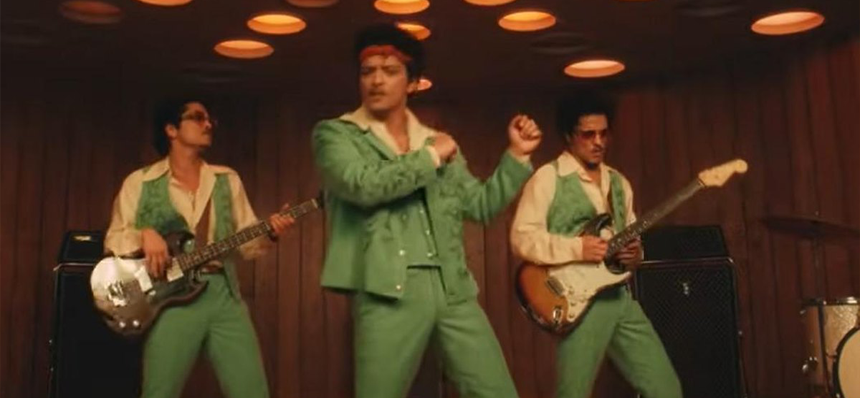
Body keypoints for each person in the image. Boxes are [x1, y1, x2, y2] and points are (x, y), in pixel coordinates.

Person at [311, 23, 542, 398]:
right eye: (367, 71)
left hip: (454, 289)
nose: (376, 80)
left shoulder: (436, 141)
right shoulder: (335, 134)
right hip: (386, 291)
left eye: (390, 71)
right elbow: (362, 185)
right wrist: (431, 157)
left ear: (413, 83)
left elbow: (480, 206)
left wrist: (516, 156)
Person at [104, 98, 294, 398]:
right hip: (171, 297)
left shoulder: (226, 179)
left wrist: (269, 232)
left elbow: (246, 243)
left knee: (252, 391)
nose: (208, 124)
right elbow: (114, 239)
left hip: (224, 294)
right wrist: (144, 235)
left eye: (209, 120)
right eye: (197, 117)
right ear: (171, 129)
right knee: (159, 392)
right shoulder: (140, 182)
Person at [509, 93, 682, 398]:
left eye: (603, 133)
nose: (598, 142)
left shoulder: (619, 183)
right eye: (588, 134)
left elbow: (630, 237)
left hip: (619, 297)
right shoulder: (548, 178)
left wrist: (634, 254)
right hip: (579, 302)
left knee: (666, 390)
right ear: (568, 135)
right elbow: (522, 239)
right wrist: (578, 248)